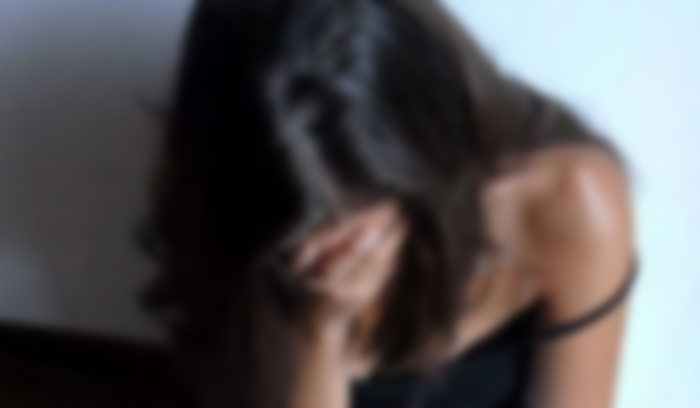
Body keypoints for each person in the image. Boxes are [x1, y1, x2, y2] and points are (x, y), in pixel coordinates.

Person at [138, 0, 635, 407]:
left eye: (347, 216)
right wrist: (320, 330)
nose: (315, 254)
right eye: (293, 240)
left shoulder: (565, 198)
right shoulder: (223, 207)